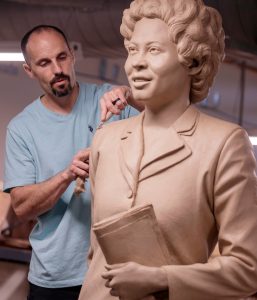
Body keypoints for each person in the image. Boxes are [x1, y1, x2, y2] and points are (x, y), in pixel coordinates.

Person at [78, 0, 257, 299]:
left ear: (192, 61)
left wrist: (161, 279)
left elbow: (247, 269)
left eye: (153, 50)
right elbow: (95, 255)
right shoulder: (105, 140)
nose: (135, 62)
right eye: (133, 50)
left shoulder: (223, 143)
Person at [3, 24, 142, 300]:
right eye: (44, 63)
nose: (57, 69)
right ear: (30, 71)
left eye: (62, 57)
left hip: (115, 270)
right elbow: (21, 208)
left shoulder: (111, 102)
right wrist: (66, 175)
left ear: (73, 56)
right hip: (55, 277)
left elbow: (165, 119)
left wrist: (130, 94)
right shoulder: (21, 129)